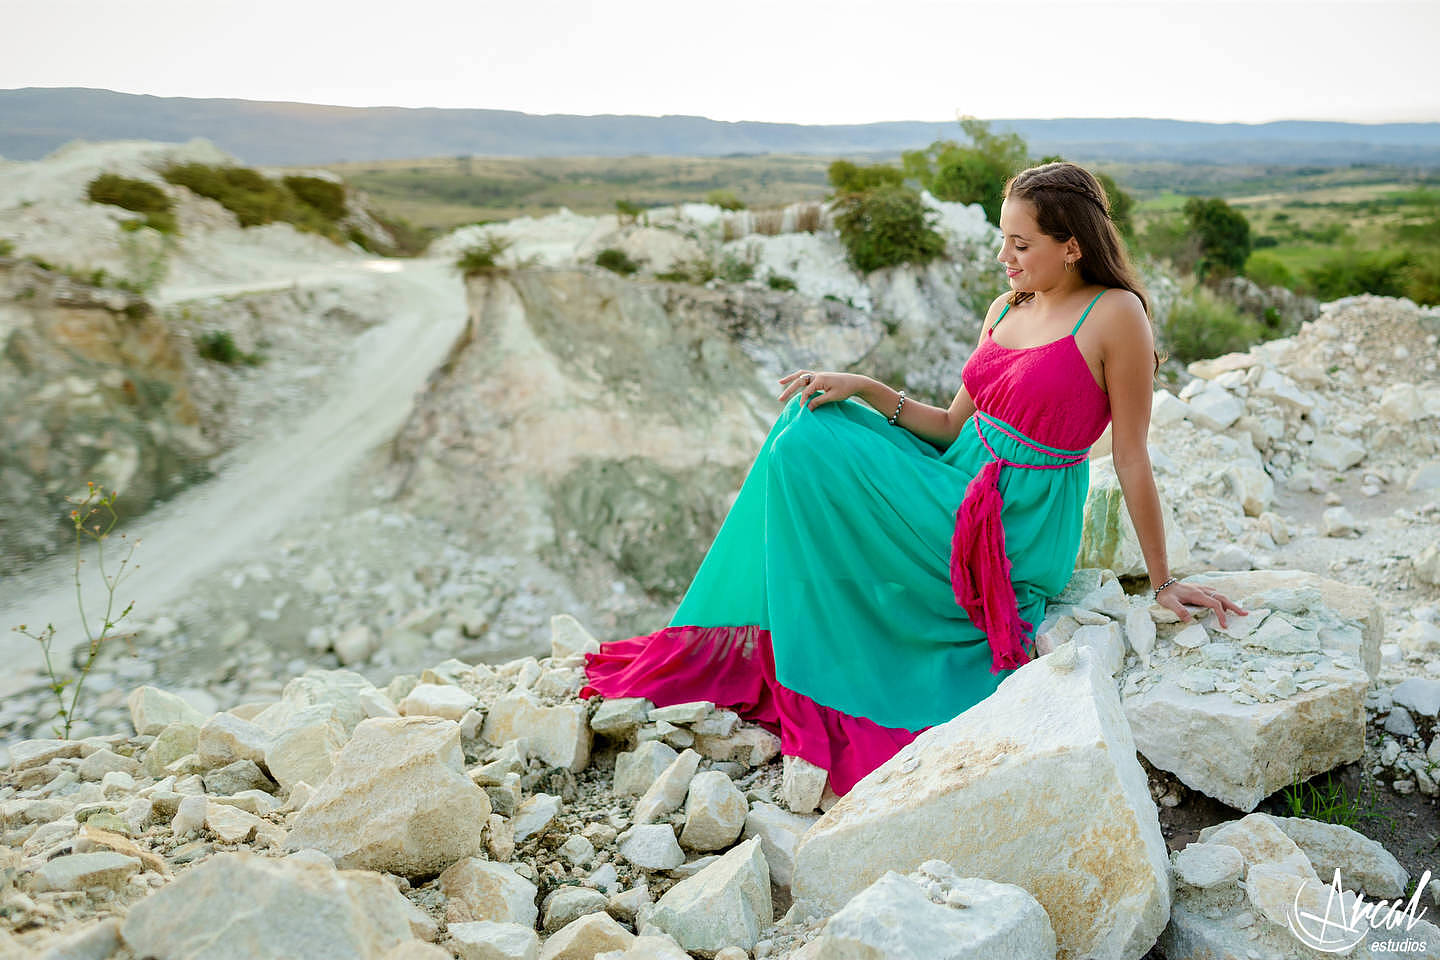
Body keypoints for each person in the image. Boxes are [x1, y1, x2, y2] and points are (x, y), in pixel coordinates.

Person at [580, 160, 1245, 798]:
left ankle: (827, 637)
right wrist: (864, 387)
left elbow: (1130, 455)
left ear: (1072, 246)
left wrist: (1163, 581)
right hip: (951, 478)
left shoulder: (1115, 314)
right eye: (1003, 241)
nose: (1004, 258)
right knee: (805, 426)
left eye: (1021, 245)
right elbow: (952, 426)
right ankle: (787, 629)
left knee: (806, 441)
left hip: (1015, 521)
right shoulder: (1006, 307)